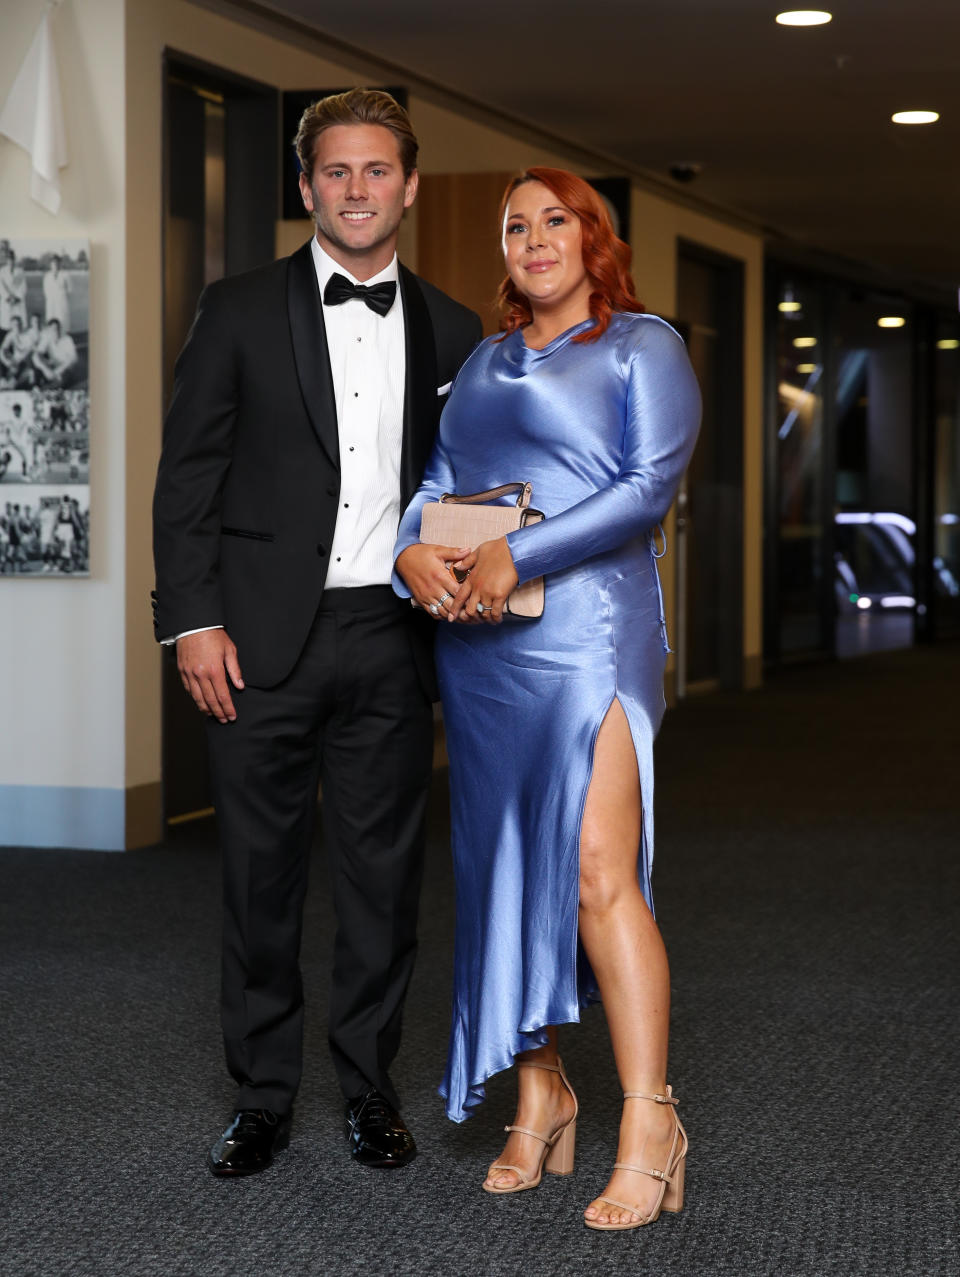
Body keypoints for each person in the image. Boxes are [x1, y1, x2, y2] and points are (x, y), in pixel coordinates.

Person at [152, 88, 481, 1179]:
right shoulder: (238, 307)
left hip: (392, 637)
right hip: (254, 642)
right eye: (334, 171)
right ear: (306, 187)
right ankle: (260, 1095)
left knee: (384, 876)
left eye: (375, 170)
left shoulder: (453, 327)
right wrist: (192, 619)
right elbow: (186, 475)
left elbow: (466, 491)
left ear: (409, 185)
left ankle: (370, 1086)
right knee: (260, 875)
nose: (355, 189)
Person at [394, 168, 701, 1231]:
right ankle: (541, 1093)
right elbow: (436, 483)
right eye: (515, 225)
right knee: (500, 868)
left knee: (596, 873)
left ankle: (651, 1117)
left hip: (592, 637)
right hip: (486, 647)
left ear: (592, 236)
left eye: (553, 220)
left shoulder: (641, 344)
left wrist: (514, 550)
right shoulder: (482, 361)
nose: (533, 239)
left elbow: (643, 490)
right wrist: (410, 556)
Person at [32, 319, 78, 387]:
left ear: (60, 328)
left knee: (60, 383)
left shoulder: (68, 339)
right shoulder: (47, 338)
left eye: (57, 328)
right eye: (53, 329)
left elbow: (73, 359)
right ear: (49, 330)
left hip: (65, 368)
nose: (56, 331)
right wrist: (45, 369)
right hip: (52, 367)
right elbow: (35, 356)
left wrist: (56, 372)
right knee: (36, 370)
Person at [43, 254, 72, 332]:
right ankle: (52, 336)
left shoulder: (65, 275)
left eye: (56, 263)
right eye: (53, 263)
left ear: (60, 263)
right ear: (50, 265)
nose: (55, 265)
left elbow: (70, 290)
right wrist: (51, 299)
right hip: (51, 301)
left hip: (62, 301)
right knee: (51, 319)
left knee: (62, 319)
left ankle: (64, 335)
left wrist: (63, 298)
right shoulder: (47, 276)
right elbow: (46, 291)